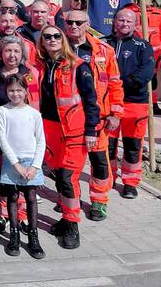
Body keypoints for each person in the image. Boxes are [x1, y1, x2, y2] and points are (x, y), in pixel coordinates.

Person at [36, 26, 98, 249]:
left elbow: (91, 101)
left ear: (62, 40)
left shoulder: (79, 67)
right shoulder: (41, 66)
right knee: (58, 174)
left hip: (74, 131)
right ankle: (64, 218)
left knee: (68, 178)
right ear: (41, 41)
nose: (51, 39)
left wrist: (92, 130)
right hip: (49, 130)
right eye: (47, 36)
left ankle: (73, 225)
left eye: (56, 36)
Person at [65, 9, 123, 220]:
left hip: (98, 118)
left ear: (87, 23)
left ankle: (99, 201)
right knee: (71, 164)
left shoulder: (104, 51)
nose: (74, 26)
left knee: (99, 161)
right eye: (70, 22)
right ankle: (73, 198)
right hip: (70, 120)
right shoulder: (58, 48)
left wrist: (116, 112)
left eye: (79, 22)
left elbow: (116, 83)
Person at [104, 8, 155, 199]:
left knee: (132, 145)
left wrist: (117, 83)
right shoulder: (103, 43)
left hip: (135, 104)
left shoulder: (143, 46)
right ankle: (107, 179)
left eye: (129, 21)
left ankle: (130, 182)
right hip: (108, 105)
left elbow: (146, 74)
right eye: (121, 20)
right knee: (107, 145)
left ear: (135, 25)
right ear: (114, 21)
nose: (124, 24)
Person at [0, 74, 46, 259]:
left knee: (31, 197)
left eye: (19, 90)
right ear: (6, 92)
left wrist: (35, 166)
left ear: (26, 91)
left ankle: (33, 236)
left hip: (31, 161)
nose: (15, 94)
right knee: (13, 196)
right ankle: (14, 235)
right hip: (12, 162)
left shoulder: (34, 113)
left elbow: (41, 141)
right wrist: (15, 164)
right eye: (11, 90)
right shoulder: (3, 111)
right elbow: (2, 138)